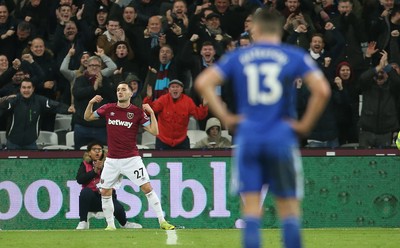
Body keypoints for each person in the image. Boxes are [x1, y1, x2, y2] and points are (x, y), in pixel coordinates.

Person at [195, 9, 330, 248]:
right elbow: (322, 90)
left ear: (254, 30)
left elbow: (203, 82)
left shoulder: (239, 56)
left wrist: (227, 116)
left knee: (251, 211)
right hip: (281, 137)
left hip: (249, 137)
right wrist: (304, 126)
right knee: (288, 210)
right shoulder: (293, 55)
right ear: (279, 30)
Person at [83, 81, 175, 230]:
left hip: (131, 159)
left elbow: (155, 132)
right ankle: (110, 225)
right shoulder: (108, 108)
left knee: (147, 187)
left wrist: (151, 113)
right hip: (112, 160)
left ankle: (162, 221)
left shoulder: (137, 113)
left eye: (123, 89)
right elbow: (87, 117)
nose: (120, 92)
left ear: (130, 93)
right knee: (105, 191)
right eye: (118, 89)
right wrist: (90, 103)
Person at [76, 141, 142, 230]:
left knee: (118, 208)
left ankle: (124, 224)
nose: (97, 152)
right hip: (91, 199)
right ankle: (83, 221)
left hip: (106, 196)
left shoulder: (109, 164)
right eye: (94, 149)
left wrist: (103, 168)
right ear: (89, 153)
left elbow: (114, 179)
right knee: (85, 192)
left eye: (99, 149)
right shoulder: (85, 164)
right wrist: (94, 172)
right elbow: (80, 180)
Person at [0, 80, 74, 150]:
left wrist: (67, 109)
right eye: (24, 87)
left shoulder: (40, 100)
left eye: (29, 87)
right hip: (12, 143)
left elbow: (55, 105)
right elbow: (3, 107)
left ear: (33, 89)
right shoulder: (13, 100)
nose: (26, 90)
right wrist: (3, 101)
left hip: (31, 143)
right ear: (20, 89)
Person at [143, 79, 208, 150]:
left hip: (181, 141)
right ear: (169, 90)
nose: (175, 89)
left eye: (177, 87)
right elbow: (148, 112)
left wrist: (204, 106)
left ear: (181, 89)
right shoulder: (163, 100)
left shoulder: (188, 101)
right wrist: (148, 98)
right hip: (163, 141)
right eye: (173, 87)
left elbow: (199, 115)